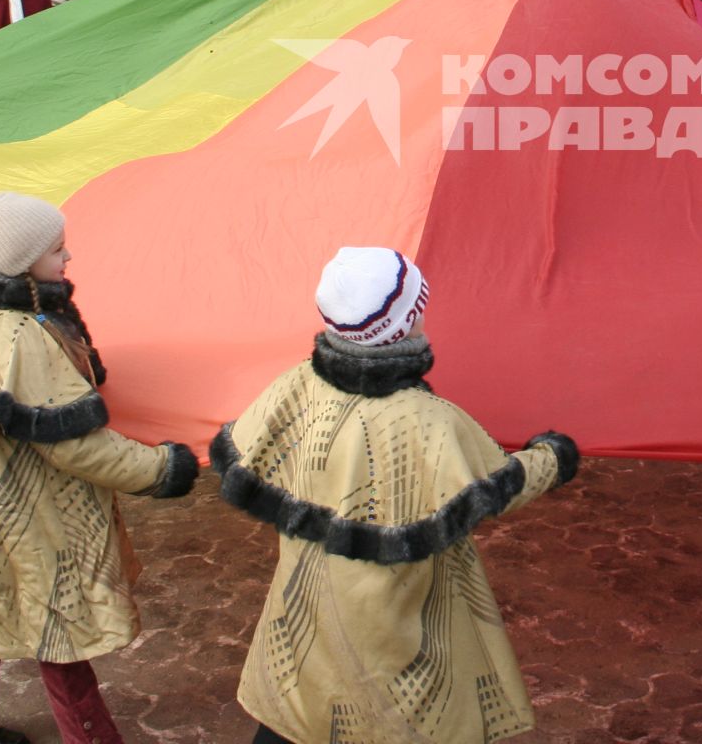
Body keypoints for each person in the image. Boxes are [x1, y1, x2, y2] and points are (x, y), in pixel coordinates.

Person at [210, 246, 578, 744]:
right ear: (404, 324)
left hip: (305, 616)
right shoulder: (428, 421)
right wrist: (553, 457)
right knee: (395, 712)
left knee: (300, 709)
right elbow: (496, 485)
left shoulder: (295, 385)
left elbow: (242, 452)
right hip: (396, 621)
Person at [0, 192, 198, 743]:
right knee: (56, 626)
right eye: (57, 250)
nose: (68, 259)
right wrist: (164, 468)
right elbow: (76, 447)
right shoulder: (24, 337)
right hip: (32, 512)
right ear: (23, 261)